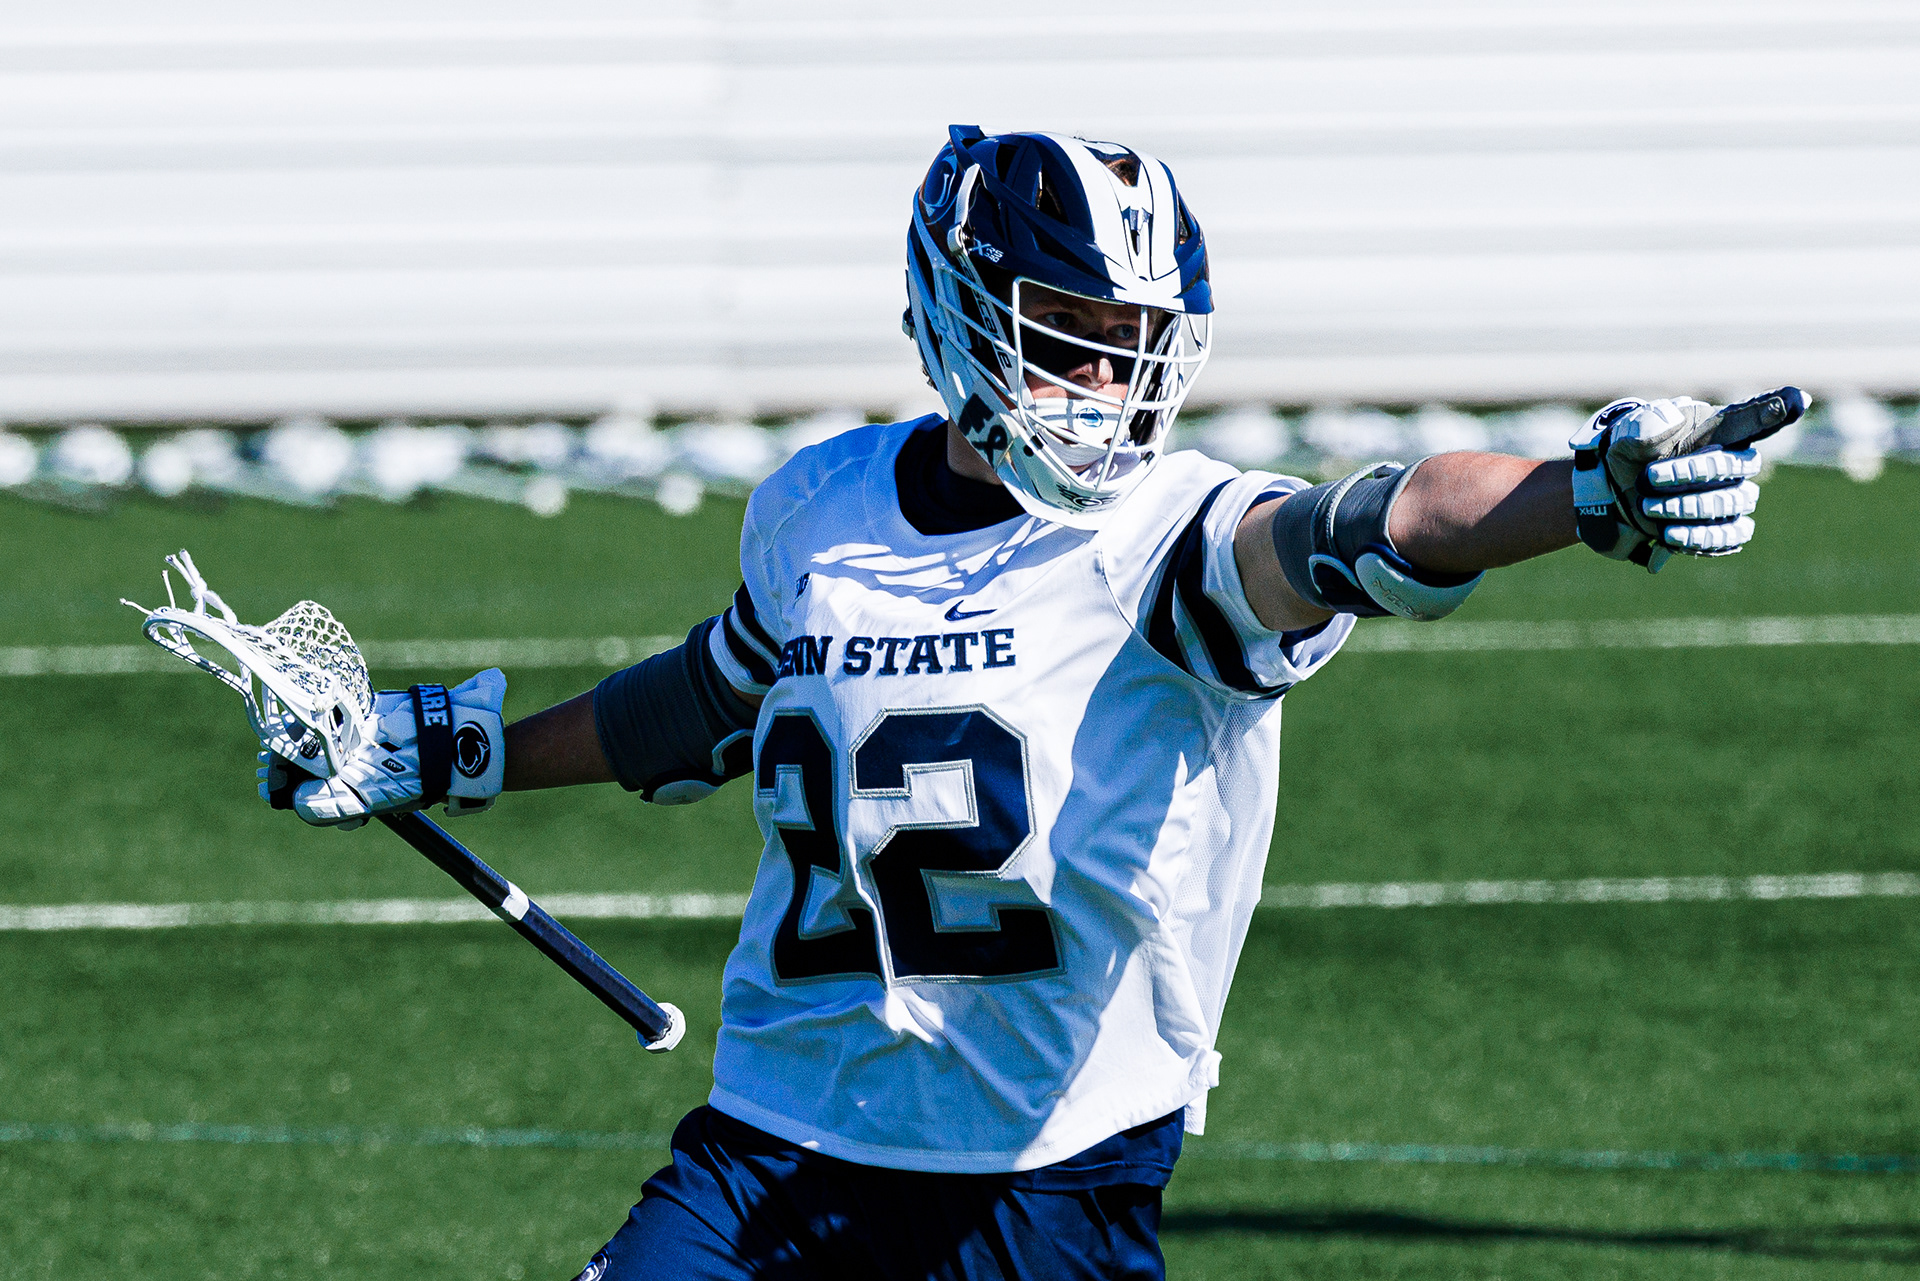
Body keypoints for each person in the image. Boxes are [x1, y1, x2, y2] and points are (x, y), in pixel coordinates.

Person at [273, 125, 1796, 1279]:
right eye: (1072, 337)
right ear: (958, 306)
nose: (1109, 389)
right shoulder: (817, 509)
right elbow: (703, 704)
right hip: (774, 1134)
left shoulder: (1165, 534)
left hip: (1044, 1173)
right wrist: (451, 748)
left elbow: (1376, 522)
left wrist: (1583, 491)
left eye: (1138, 347)